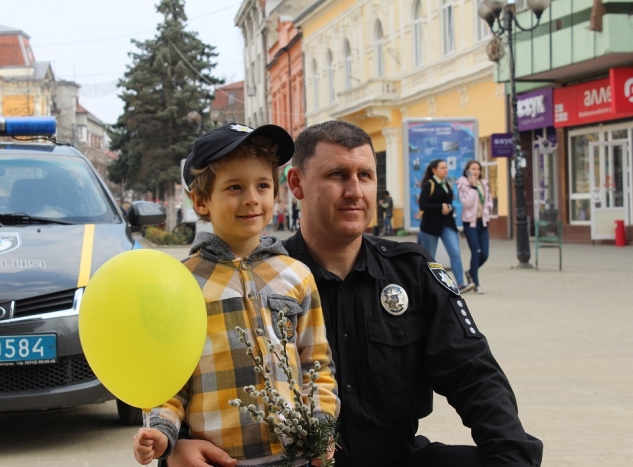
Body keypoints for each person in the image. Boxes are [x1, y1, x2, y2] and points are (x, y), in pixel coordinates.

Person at [166, 120, 543, 467]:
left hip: (395, 457)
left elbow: (473, 373)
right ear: (296, 184)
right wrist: (176, 446)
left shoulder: (410, 271)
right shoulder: (263, 281)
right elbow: (193, 376)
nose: (355, 191)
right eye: (337, 175)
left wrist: (511, 458)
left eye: (365, 175)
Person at [132, 123, 340, 466]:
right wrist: (161, 432)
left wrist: (322, 428)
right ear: (201, 200)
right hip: (216, 459)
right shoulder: (180, 283)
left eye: (262, 185)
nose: (251, 198)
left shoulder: (296, 275)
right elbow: (169, 383)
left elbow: (316, 364)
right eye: (234, 187)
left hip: (294, 458)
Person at [418, 159, 475, 294]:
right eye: (442, 167)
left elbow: (448, 203)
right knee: (429, 257)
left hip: (447, 224)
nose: (445, 170)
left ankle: (460, 284)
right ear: (434, 170)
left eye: (446, 167)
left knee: (455, 252)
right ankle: (425, 286)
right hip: (430, 226)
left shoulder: (447, 184)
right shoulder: (429, 185)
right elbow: (423, 205)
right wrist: (440, 207)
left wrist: (448, 207)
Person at [456, 160, 493, 294]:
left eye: (478, 169)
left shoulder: (484, 183)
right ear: (467, 170)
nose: (476, 171)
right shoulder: (463, 184)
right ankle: (476, 283)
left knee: (485, 254)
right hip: (470, 223)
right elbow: (466, 203)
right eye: (473, 169)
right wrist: (472, 187)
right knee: (476, 252)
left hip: (482, 222)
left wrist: (488, 209)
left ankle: (471, 272)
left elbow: (489, 200)